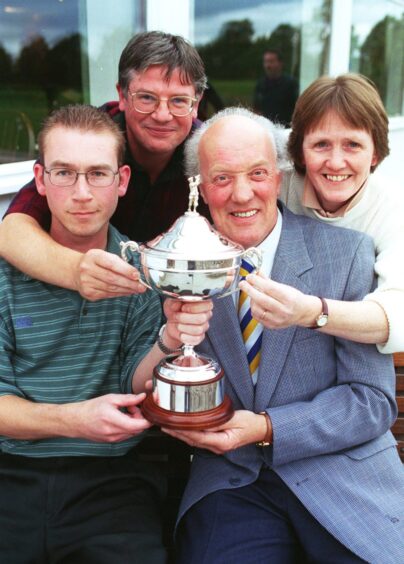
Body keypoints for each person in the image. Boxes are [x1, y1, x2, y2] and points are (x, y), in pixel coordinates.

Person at [163, 107, 404, 564]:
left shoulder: (348, 255)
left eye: (257, 173)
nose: (241, 193)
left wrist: (268, 427)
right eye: (221, 178)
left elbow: (372, 401)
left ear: (278, 176)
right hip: (233, 483)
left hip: (342, 474)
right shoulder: (177, 261)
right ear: (198, 186)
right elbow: (163, 381)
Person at [0, 104, 213, 563]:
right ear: (39, 180)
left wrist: (170, 340)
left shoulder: (140, 273)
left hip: (113, 482)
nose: (81, 193)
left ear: (121, 182)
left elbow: (137, 382)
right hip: (10, 471)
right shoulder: (5, 273)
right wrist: (74, 420)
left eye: (97, 174)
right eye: (64, 173)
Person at [0, 30, 209, 301]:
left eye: (179, 100)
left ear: (196, 105)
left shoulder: (211, 150)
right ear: (122, 95)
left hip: (181, 303)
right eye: (146, 97)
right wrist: (76, 271)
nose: (162, 115)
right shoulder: (91, 141)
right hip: (94, 304)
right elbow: (12, 231)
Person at [251, 73, 404, 354]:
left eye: (353, 145)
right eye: (321, 144)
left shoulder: (393, 208)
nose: (335, 163)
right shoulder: (276, 175)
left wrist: (311, 311)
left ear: (375, 154)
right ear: (298, 151)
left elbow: (399, 315)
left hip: (346, 348)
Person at [253, 48, 298, 127]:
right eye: (266, 62)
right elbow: (257, 110)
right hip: (266, 131)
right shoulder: (260, 85)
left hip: (286, 131)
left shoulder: (291, 84)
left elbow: (298, 110)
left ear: (280, 63)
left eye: (271, 61)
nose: (268, 65)